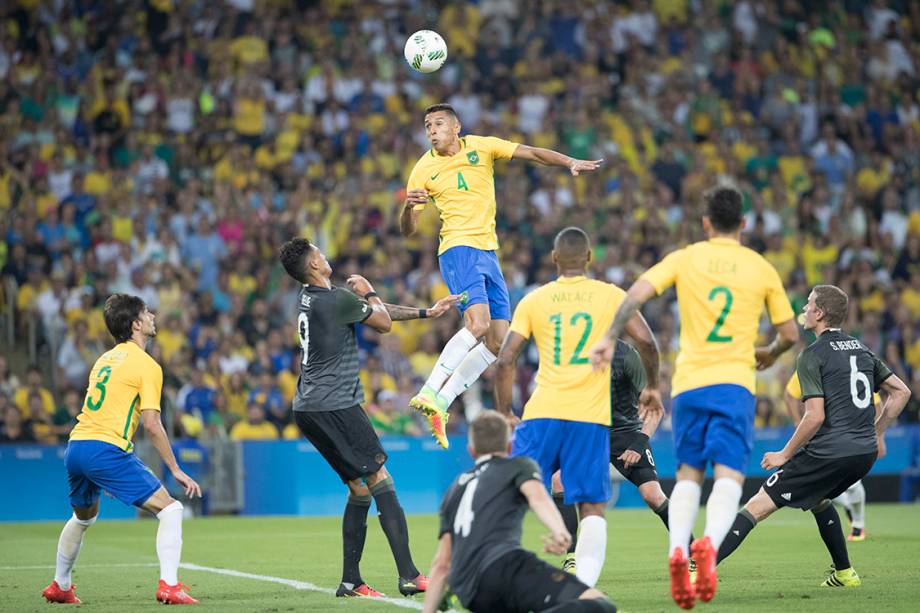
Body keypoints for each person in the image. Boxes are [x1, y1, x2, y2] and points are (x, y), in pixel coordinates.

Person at [589, 186, 799, 609]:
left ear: (705, 223)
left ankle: (678, 553)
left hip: (688, 383)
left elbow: (634, 296)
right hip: (735, 382)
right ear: (743, 224)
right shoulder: (760, 268)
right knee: (728, 475)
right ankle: (709, 545)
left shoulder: (685, 258)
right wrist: (769, 353)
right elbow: (790, 334)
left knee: (687, 474)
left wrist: (610, 337)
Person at [401, 103, 602, 448]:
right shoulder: (423, 170)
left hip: (489, 253)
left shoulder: (483, 147)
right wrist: (407, 207)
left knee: (497, 342)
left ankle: (442, 403)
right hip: (458, 250)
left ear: (456, 127)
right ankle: (430, 390)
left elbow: (534, 153)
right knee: (476, 325)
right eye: (427, 126)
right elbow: (408, 231)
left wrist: (568, 161)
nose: (431, 130)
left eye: (438, 123)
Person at [278, 238, 458, 599]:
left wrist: (426, 313)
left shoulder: (313, 299)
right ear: (313, 266)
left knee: (359, 488)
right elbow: (382, 322)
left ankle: (351, 581)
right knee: (379, 477)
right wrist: (370, 289)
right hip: (336, 403)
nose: (325, 255)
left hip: (308, 407)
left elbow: (371, 311)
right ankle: (409, 575)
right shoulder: (336, 299)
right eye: (319, 253)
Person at [495, 227, 662, 588]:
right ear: (589, 258)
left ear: (554, 258)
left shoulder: (534, 300)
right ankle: (581, 590)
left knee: (507, 491)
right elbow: (647, 342)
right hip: (588, 418)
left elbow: (506, 360)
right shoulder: (610, 295)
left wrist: (506, 410)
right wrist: (652, 386)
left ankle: (484, 574)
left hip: (541, 412)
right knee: (592, 508)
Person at [716, 285, 911, 587]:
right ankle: (844, 573)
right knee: (818, 499)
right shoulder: (861, 349)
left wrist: (785, 453)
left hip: (830, 451)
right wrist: (877, 431)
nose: (802, 311)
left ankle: (698, 568)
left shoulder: (812, 354)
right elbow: (901, 392)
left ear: (819, 314)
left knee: (758, 504)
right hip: (863, 454)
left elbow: (815, 415)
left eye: (807, 305)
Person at [42, 294, 202, 605]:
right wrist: (175, 469)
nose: (153, 315)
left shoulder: (104, 359)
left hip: (76, 447)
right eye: (147, 312)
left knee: (83, 518)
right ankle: (169, 585)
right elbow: (152, 424)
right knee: (171, 509)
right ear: (136, 324)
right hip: (105, 449)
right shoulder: (147, 365)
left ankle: (61, 585)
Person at [421, 411, 617, 613]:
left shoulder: (454, 489)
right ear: (509, 446)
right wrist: (559, 530)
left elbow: (442, 564)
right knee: (599, 604)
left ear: (471, 451)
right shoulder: (518, 465)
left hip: (470, 592)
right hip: (505, 568)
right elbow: (537, 497)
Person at [553, 340, 695, 575]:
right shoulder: (575, 352)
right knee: (559, 480)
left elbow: (656, 409)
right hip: (590, 433)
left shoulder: (627, 355)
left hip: (625, 433)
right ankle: (571, 558)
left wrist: (639, 444)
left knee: (652, 495)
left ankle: (693, 552)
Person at [785, 372, 870, 541]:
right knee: (818, 482)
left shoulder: (852, 362)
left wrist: (879, 433)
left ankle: (858, 525)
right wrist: (797, 421)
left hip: (847, 427)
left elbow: (874, 397)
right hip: (818, 429)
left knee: (852, 483)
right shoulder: (811, 363)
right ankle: (848, 506)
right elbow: (789, 394)